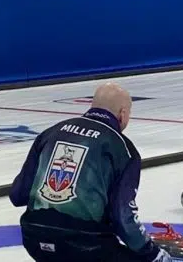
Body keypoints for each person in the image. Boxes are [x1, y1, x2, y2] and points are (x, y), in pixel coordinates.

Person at [10, 82, 171, 262]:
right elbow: (123, 218)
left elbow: (18, 195)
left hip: (34, 238)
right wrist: (151, 252)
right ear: (123, 114)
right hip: (86, 246)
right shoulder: (123, 149)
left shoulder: (50, 133)